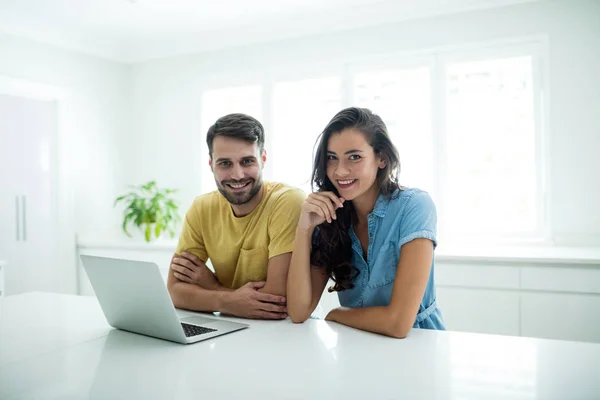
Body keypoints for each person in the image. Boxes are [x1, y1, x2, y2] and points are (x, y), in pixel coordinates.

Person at [287, 107, 445, 338]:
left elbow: (398, 323)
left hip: (418, 345)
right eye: (332, 158)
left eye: (354, 157)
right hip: (355, 347)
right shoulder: (330, 217)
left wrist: (336, 314)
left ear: (381, 158)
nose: (340, 171)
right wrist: (304, 229)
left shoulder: (414, 206)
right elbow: (299, 311)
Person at [167, 113, 305, 320]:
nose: (237, 175)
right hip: (230, 324)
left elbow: (275, 301)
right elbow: (175, 291)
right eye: (225, 164)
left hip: (285, 330)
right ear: (211, 164)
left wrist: (212, 286)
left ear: (263, 159)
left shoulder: (288, 202)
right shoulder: (201, 208)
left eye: (247, 161)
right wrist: (227, 300)